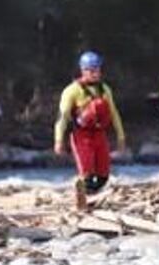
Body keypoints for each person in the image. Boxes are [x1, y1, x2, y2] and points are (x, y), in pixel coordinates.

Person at [54, 51, 127, 212]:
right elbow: (63, 117)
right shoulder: (72, 91)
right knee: (86, 173)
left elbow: (114, 113)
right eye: (91, 70)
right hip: (81, 135)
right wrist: (59, 140)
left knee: (103, 173)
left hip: (99, 133)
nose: (96, 73)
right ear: (83, 70)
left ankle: (94, 197)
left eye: (98, 70)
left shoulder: (104, 88)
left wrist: (121, 137)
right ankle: (84, 200)